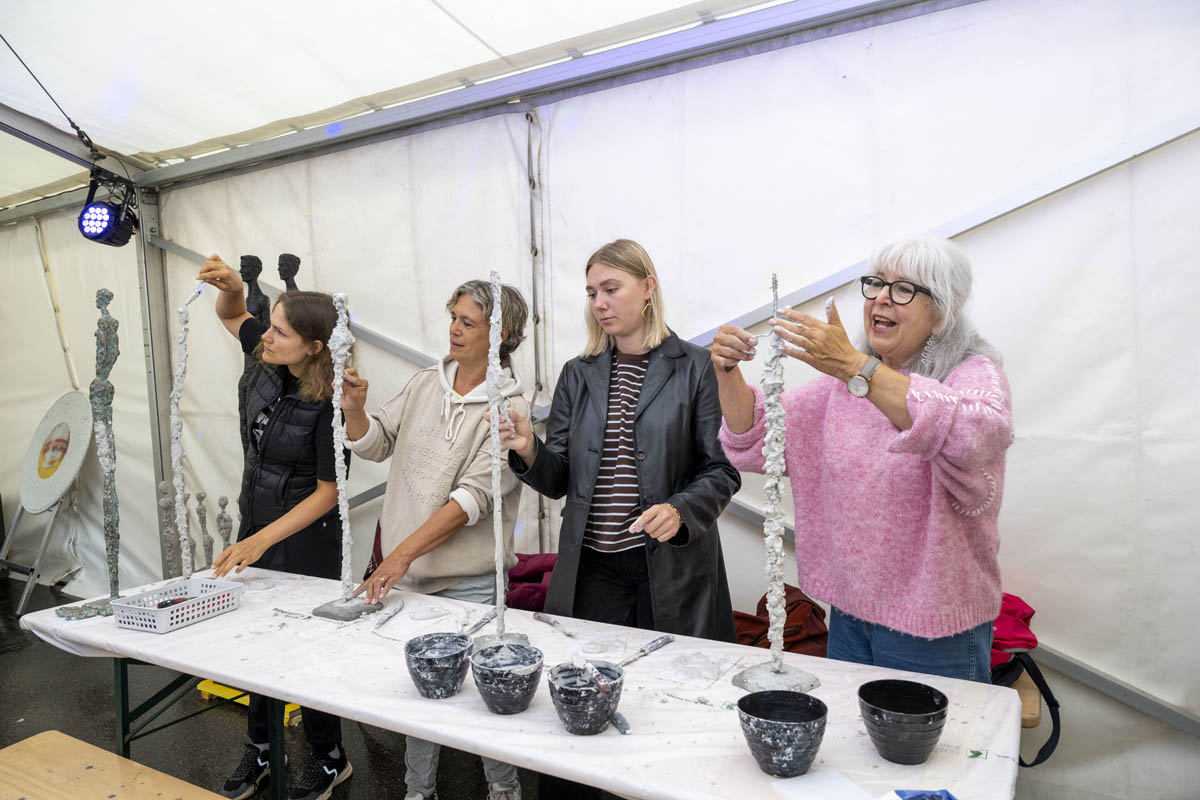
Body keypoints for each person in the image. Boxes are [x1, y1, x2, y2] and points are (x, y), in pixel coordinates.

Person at [712, 238, 1013, 682]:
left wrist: (857, 367)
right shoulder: (845, 385)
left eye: (904, 288)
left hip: (933, 630)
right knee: (851, 728)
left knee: (931, 731)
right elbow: (757, 437)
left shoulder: (972, 375)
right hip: (852, 616)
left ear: (942, 313)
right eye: (876, 284)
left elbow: (975, 435)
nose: (882, 298)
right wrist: (726, 370)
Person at [342, 279, 529, 800]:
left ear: (500, 334)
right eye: (453, 317)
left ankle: (504, 790)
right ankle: (417, 791)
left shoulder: (511, 408)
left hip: (471, 583)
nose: (454, 329)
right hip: (412, 579)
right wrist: (355, 409)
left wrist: (399, 554)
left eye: (468, 322)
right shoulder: (426, 382)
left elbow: (472, 500)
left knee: (488, 694)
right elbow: (375, 443)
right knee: (421, 698)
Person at [198, 254, 352, 800]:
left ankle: (330, 758)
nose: (267, 336)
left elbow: (329, 492)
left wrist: (261, 539)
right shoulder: (268, 360)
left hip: (307, 546)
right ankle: (261, 747)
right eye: (272, 326)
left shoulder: (333, 404)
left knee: (306, 649)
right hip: (257, 531)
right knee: (255, 647)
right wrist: (232, 288)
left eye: (281, 331)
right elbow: (232, 315)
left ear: (314, 346)